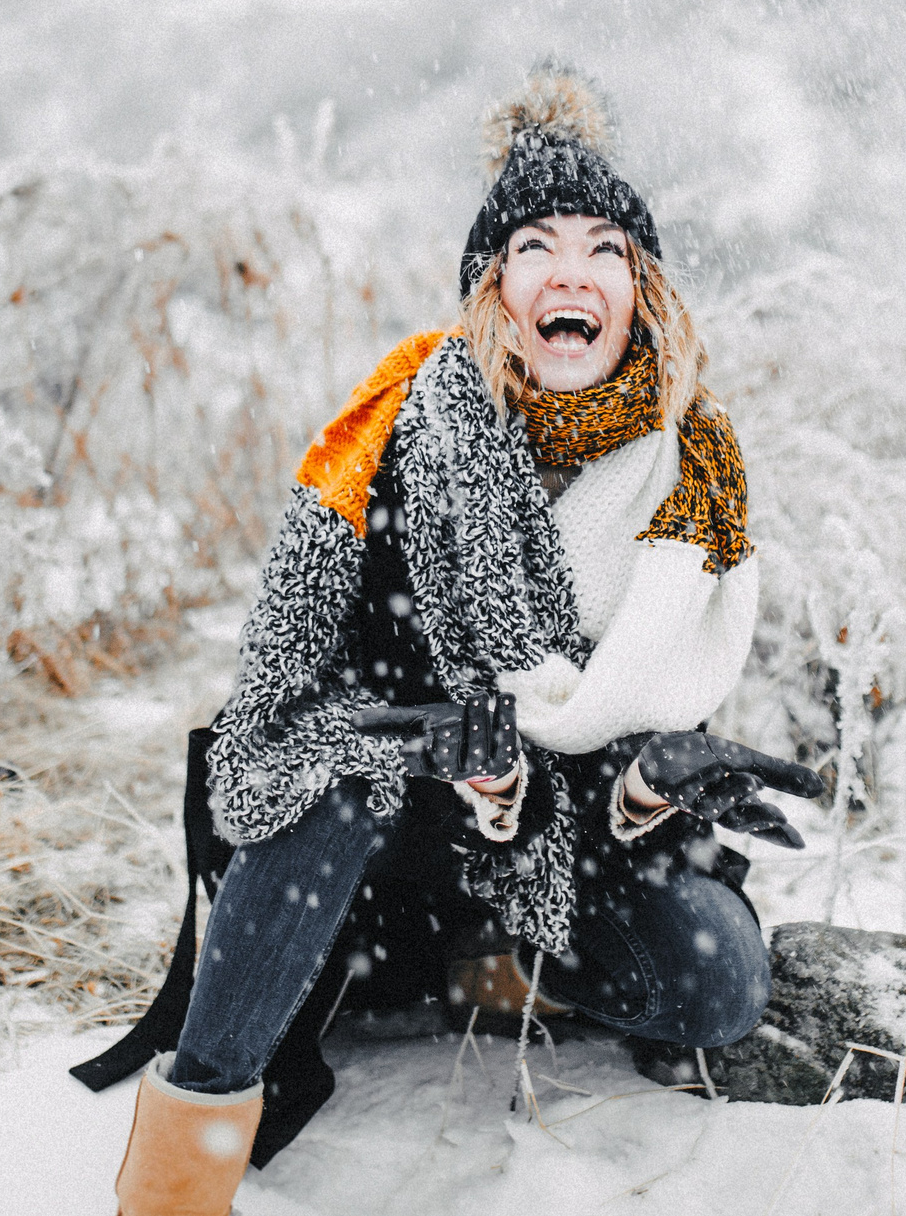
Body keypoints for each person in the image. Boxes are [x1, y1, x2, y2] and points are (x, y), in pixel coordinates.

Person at [80, 62, 824, 1216]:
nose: (570, 271)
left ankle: (503, 955)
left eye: (605, 249)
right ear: (492, 284)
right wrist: (421, 742)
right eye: (534, 245)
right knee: (328, 789)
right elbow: (259, 739)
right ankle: (178, 1169)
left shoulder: (683, 472)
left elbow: (611, 739)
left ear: (642, 292)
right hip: (371, 847)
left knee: (718, 983)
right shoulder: (386, 437)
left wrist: (647, 786)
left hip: (559, 851)